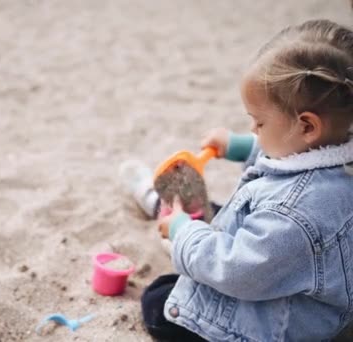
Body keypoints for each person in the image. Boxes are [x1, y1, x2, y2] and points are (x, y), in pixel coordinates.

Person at [134, 19, 353, 341]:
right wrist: (239, 147)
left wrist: (183, 233)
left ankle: (167, 213)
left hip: (277, 327)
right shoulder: (337, 156)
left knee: (158, 300)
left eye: (259, 122)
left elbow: (236, 270)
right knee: (213, 217)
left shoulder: (293, 216)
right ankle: (171, 213)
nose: (254, 130)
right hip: (295, 271)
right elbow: (290, 158)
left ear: (307, 126)